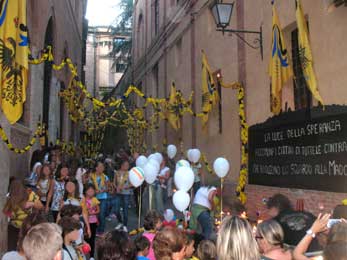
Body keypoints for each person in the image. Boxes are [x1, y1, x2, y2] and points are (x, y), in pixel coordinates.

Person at [3, 179, 44, 251]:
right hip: (14, 227)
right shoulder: (10, 196)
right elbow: (6, 211)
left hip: (28, 227)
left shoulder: (30, 193)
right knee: (13, 249)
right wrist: (12, 214)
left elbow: (41, 207)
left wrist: (32, 204)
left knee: (26, 249)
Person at [90, 161, 110, 235]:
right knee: (94, 215)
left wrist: (103, 190)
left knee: (101, 214)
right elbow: (88, 186)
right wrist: (94, 191)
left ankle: (101, 231)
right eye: (100, 166)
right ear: (96, 168)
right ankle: (95, 229)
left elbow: (108, 188)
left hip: (103, 198)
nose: (102, 168)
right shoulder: (91, 176)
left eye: (103, 167)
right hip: (93, 198)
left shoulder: (105, 177)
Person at [81, 184, 100, 258]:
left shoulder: (95, 199)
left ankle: (91, 256)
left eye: (92, 191)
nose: (91, 192)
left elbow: (98, 210)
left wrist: (93, 213)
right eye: (89, 191)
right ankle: (83, 254)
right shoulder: (82, 200)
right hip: (84, 222)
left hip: (93, 222)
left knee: (92, 239)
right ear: (85, 192)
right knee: (84, 238)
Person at [114, 159, 132, 229]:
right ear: (121, 165)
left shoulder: (130, 173)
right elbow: (114, 182)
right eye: (125, 165)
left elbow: (132, 184)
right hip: (118, 193)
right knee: (116, 209)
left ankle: (125, 225)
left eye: (127, 165)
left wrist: (126, 187)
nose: (126, 166)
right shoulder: (117, 173)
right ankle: (120, 222)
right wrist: (116, 188)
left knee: (125, 210)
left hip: (126, 193)